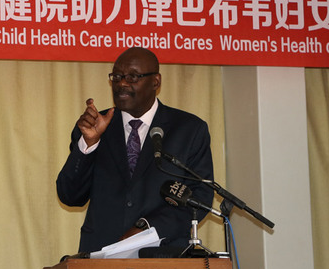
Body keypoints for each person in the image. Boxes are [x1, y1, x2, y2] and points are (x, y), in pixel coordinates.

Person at [56, 47, 214, 254]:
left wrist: (147, 228)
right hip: (101, 257)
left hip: (164, 256)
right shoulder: (93, 127)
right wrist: (89, 144)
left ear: (155, 82)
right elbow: (70, 195)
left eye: (133, 76)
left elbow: (199, 198)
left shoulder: (188, 129)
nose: (122, 83)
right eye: (117, 76)